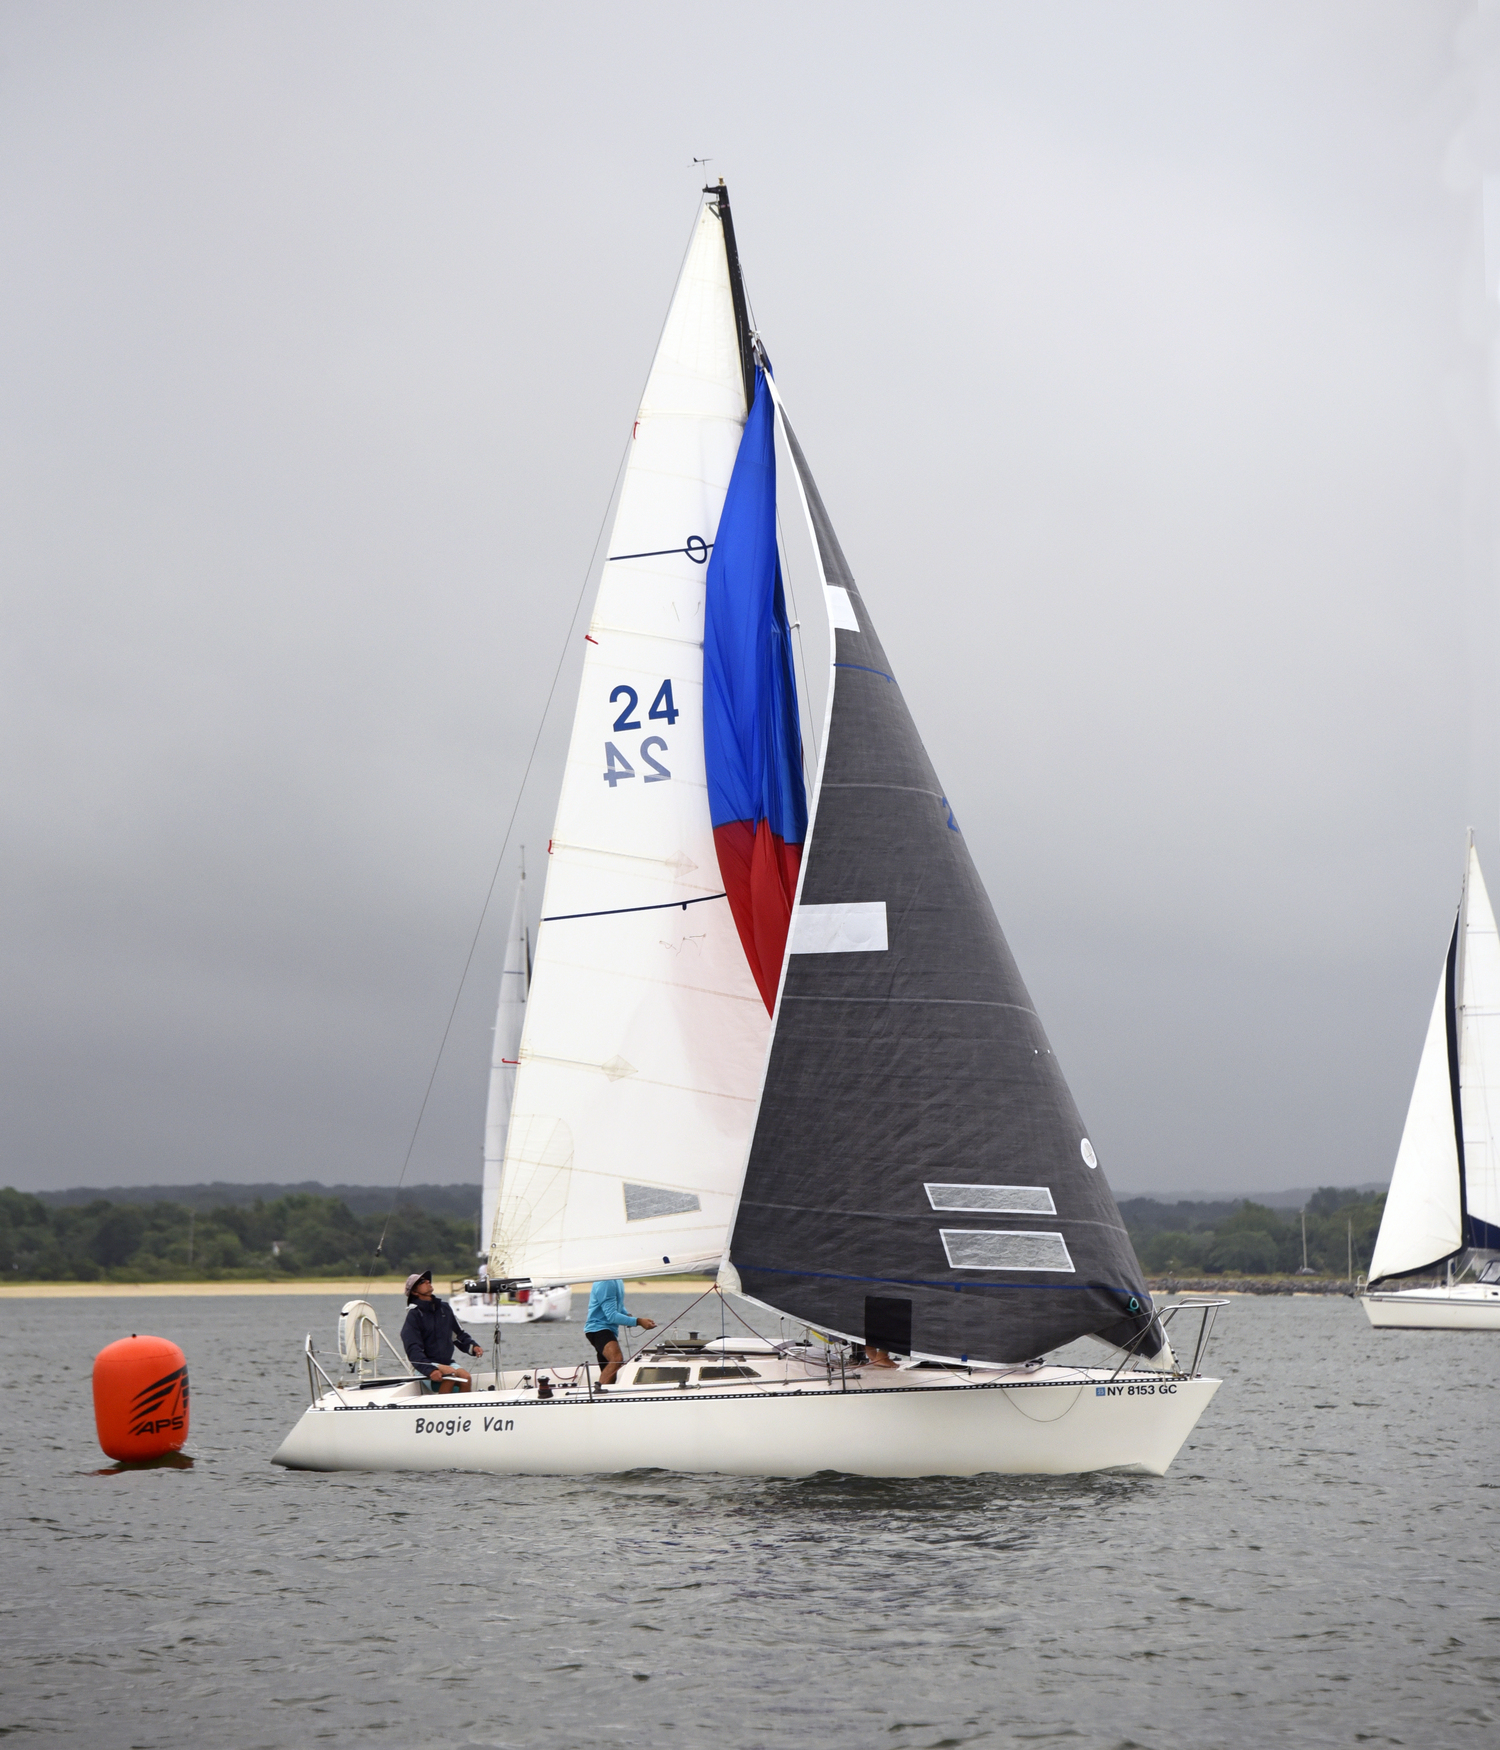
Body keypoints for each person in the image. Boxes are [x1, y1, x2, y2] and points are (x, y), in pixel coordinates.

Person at [401, 1270, 483, 1393]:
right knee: (449, 1376)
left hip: (446, 1363)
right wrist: (431, 1370)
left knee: (466, 1378)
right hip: (423, 1365)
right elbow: (413, 1349)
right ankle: (443, 1410)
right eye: (422, 1282)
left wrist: (473, 1347)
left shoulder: (444, 1308)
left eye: (428, 1280)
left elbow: (458, 1334)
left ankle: (463, 1410)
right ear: (414, 1292)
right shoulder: (414, 1315)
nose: (428, 1282)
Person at [584, 1278, 656, 1385]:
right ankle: (598, 1393)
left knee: (612, 1370)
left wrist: (627, 1317)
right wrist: (638, 1321)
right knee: (616, 1359)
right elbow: (612, 1316)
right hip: (598, 1329)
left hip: (608, 1330)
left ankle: (605, 1394)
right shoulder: (605, 1282)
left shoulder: (617, 1279)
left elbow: (619, 1306)